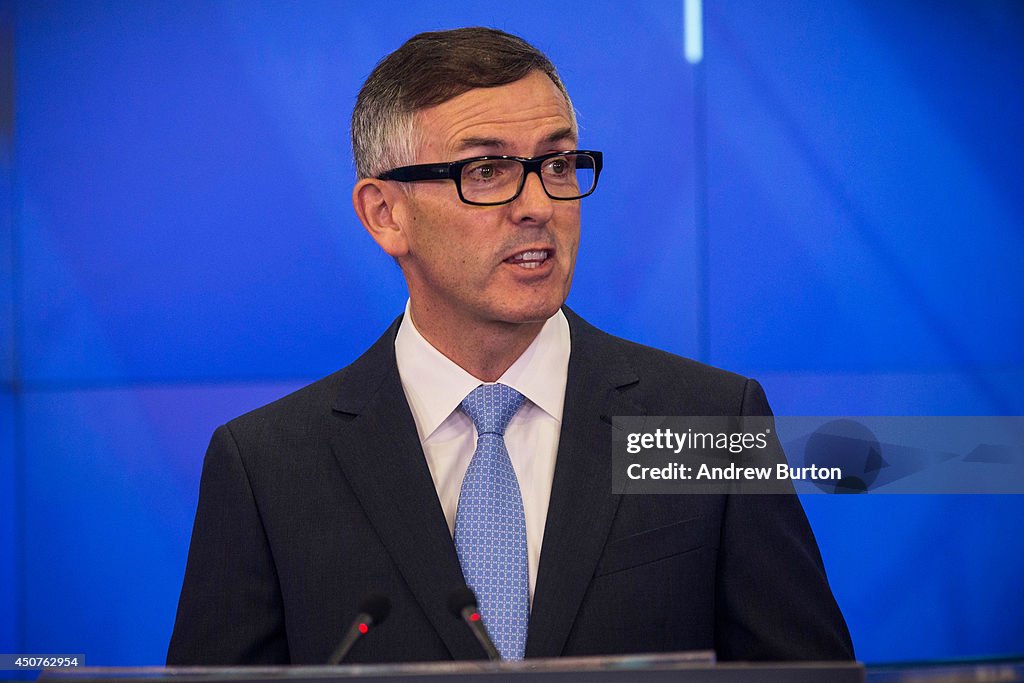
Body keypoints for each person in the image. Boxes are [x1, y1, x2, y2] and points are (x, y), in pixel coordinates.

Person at [167, 27, 853, 665]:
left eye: (557, 164)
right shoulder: (268, 467)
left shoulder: (706, 421)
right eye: (487, 171)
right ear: (386, 214)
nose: (538, 205)